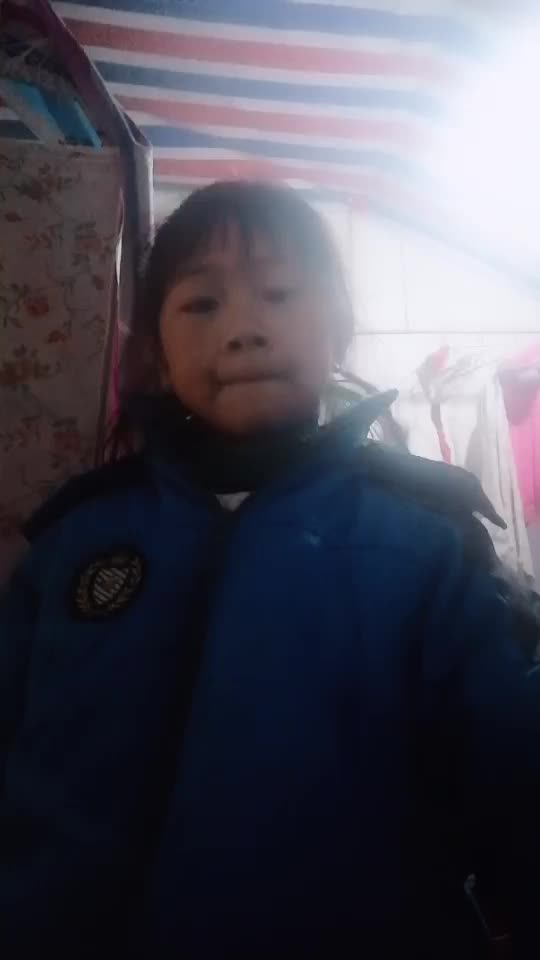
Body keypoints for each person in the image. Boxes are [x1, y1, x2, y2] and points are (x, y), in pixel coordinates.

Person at [0, 181, 539, 960]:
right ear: (153, 353)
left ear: (338, 327)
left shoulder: (426, 540)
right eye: (201, 304)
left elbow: (515, 780)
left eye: (280, 294)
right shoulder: (74, 540)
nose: (245, 329)